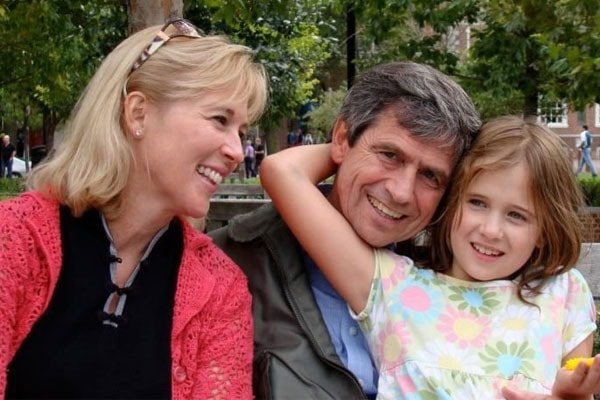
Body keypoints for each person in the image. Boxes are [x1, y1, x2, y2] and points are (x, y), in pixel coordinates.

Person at [0, 18, 267, 399]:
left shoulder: (220, 289)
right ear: (138, 113)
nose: (236, 152)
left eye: (241, 133)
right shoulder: (14, 238)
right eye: (219, 119)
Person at [260, 116, 599, 398]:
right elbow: (282, 170)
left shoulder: (562, 292)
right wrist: (361, 145)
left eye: (517, 216)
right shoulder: (390, 285)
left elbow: (576, 392)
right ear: (451, 203)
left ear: (543, 230)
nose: (491, 230)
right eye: (477, 203)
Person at [210, 61, 481, 398]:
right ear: (341, 138)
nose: (401, 192)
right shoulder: (226, 265)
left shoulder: (454, 281)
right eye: (389, 154)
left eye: (430, 176)